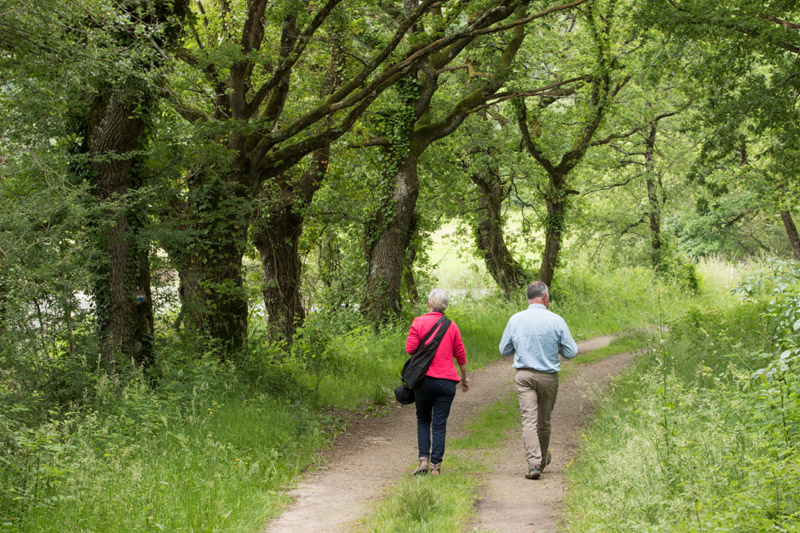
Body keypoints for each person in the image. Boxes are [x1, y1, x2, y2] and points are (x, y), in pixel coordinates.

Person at [499, 281, 578, 480]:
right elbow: (571, 352)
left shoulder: (515, 319)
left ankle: (534, 462)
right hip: (548, 377)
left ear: (527, 298)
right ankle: (540, 462)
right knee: (544, 421)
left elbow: (504, 350)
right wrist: (555, 348)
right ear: (544, 297)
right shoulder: (556, 320)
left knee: (528, 421)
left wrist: (521, 348)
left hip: (524, 375)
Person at [406, 289, 469, 476]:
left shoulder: (418, 322)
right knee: (439, 424)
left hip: (423, 381)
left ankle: (423, 460)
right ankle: (436, 466)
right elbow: (460, 355)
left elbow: (410, 349)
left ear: (429, 304)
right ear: (445, 306)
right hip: (447, 381)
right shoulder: (451, 326)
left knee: (423, 420)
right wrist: (464, 379)